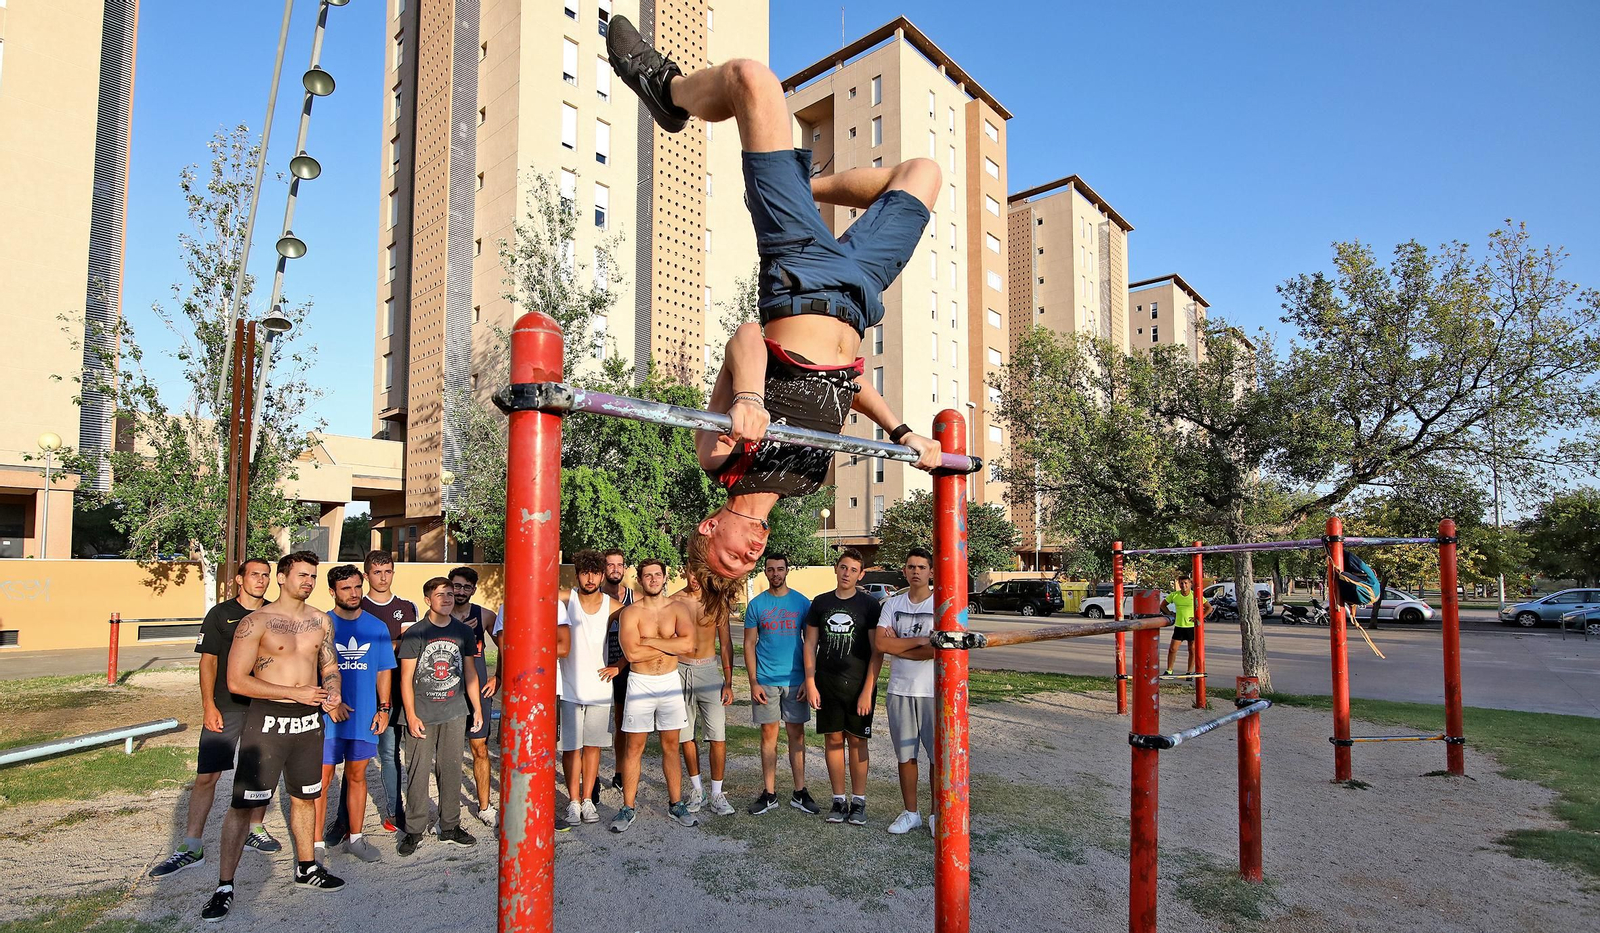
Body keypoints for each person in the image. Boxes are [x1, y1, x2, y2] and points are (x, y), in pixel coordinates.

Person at [606, 15, 943, 590]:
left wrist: (747, 399)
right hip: (861, 291)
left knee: (752, 81)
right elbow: (842, 385)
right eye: (750, 565)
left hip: (800, 275)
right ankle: (801, 184)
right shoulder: (807, 483)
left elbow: (745, 336)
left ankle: (667, 91)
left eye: (734, 557)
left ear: (712, 527)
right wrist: (903, 432)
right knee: (923, 173)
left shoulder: (720, 455)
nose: (752, 554)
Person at [198, 551, 345, 923]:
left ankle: (306, 867)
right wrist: (294, 693)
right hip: (266, 721)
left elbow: (329, 665)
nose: (308, 582)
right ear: (282, 577)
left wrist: (333, 691)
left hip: (308, 723)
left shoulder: (320, 620)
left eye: (313, 576)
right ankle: (225, 886)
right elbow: (236, 680)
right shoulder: (255, 622)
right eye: (301, 575)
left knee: (305, 798)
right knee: (243, 805)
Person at [150, 558, 281, 879]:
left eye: (266, 575)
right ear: (240, 579)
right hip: (226, 707)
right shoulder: (220, 614)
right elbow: (207, 663)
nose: (261, 581)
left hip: (262, 708)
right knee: (207, 776)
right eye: (254, 575)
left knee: (260, 775)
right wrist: (208, 705)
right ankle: (191, 845)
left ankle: (255, 829)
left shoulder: (275, 614)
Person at [313, 565, 396, 864]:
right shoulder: (320, 624)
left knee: (357, 776)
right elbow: (309, 672)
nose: (354, 593)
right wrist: (330, 701)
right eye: (346, 588)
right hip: (327, 718)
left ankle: (356, 838)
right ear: (333, 591)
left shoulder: (376, 627)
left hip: (363, 717)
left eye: (357, 586)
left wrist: (384, 708)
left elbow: (384, 669)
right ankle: (316, 842)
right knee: (321, 780)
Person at [395, 578, 483, 856]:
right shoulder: (416, 633)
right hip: (422, 711)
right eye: (439, 594)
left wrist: (477, 707)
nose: (446, 598)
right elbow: (406, 677)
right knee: (418, 771)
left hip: (454, 710)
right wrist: (409, 714)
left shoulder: (462, 632)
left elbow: (469, 671)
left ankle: (449, 826)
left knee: (451, 768)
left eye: (449, 593)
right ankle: (414, 829)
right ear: (427, 600)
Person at [611, 558, 698, 833]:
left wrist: (648, 641)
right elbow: (632, 654)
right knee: (634, 747)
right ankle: (628, 807)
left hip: (670, 682)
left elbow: (689, 644)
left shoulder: (678, 608)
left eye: (657, 575)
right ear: (639, 579)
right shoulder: (631, 613)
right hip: (641, 682)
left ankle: (675, 803)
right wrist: (671, 645)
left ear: (664, 577)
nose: (653, 579)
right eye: (647, 575)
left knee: (671, 745)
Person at [802, 549, 884, 826]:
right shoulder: (821, 603)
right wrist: (811, 683)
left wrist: (867, 690)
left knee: (858, 741)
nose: (847, 573)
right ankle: (838, 799)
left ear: (861, 574)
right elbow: (810, 644)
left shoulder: (870, 605)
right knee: (833, 740)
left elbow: (877, 652)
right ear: (836, 569)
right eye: (843, 567)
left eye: (853, 569)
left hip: (859, 685)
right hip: (827, 683)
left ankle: (858, 801)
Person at [742, 553, 819, 816]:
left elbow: (811, 644)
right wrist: (753, 682)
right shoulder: (756, 605)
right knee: (768, 736)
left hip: (795, 680)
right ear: (764, 572)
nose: (775, 574)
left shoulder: (801, 603)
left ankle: (800, 791)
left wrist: (809, 679)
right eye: (771, 569)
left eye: (780, 569)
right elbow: (749, 644)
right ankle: (769, 793)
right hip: (765, 680)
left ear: (787, 571)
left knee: (796, 736)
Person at [491, 596, 574, 834]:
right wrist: (541, 647)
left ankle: (545, 809)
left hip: (548, 688)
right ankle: (514, 812)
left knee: (544, 752)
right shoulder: (508, 606)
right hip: (517, 689)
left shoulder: (555, 606)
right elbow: (506, 650)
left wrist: (524, 647)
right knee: (514, 753)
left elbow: (564, 647)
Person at [873, 548, 937, 836]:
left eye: (921, 567)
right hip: (900, 690)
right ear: (904, 570)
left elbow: (938, 651)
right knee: (905, 756)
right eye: (911, 566)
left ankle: (938, 813)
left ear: (931, 572)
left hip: (932, 692)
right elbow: (882, 645)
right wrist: (922, 641)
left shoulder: (941, 605)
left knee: (937, 757)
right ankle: (911, 812)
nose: (915, 571)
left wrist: (902, 644)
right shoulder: (892, 604)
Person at [354, 548, 417, 835]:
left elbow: (408, 646)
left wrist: (379, 645)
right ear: (367, 575)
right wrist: (389, 644)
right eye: (377, 572)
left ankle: (401, 810)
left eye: (387, 571)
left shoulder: (406, 607)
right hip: (368, 692)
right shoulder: (357, 606)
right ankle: (354, 818)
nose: (383, 577)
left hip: (403, 690)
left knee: (402, 753)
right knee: (365, 756)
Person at [672, 566, 736, 816]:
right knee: (686, 735)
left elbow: (726, 642)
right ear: (685, 572)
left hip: (708, 670)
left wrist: (728, 682)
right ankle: (696, 789)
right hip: (680, 670)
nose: (695, 579)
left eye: (701, 574)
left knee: (717, 735)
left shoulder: (716, 601)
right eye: (692, 573)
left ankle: (717, 793)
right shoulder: (674, 601)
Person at [559, 549, 615, 827]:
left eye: (595, 572)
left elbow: (640, 624)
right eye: (585, 572)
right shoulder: (566, 598)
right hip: (569, 687)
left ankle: (588, 799)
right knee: (571, 748)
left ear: (603, 575)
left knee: (593, 747)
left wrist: (621, 664)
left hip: (601, 687)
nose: (590, 578)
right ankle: (573, 801)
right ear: (577, 574)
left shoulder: (612, 605)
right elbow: (535, 597)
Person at [449, 566, 501, 827]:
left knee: (479, 748)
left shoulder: (485, 615)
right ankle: (447, 812)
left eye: (466, 587)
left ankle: (484, 806)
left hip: (478, 690)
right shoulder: (438, 614)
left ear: (474, 589)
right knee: (447, 752)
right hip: (445, 693)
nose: (460, 591)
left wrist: (497, 677)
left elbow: (506, 646)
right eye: (456, 586)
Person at [598, 548, 635, 803]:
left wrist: (622, 664)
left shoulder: (635, 598)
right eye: (610, 565)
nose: (615, 569)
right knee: (595, 723)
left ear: (624, 568)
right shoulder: (592, 596)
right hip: (598, 664)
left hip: (624, 666)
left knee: (622, 721)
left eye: (619, 565)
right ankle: (591, 779)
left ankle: (620, 772)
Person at [1160, 577, 1197, 676]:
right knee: (1172, 649)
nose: (1183, 586)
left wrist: (1199, 617)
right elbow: (1162, 605)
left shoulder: (1195, 595)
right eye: (1181, 583)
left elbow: (1208, 608)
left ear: (1190, 584)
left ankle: (1189, 672)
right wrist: (1170, 613)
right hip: (1179, 626)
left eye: (1185, 583)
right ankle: (1169, 670)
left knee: (1192, 650)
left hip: (1192, 627)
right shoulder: (1174, 595)